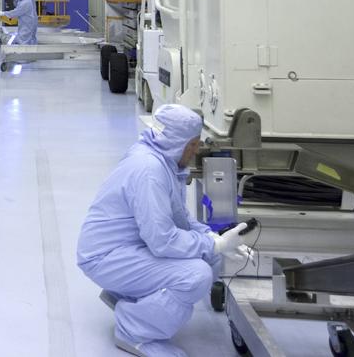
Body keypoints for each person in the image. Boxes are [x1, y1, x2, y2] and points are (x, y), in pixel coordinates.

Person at [77, 104, 254, 357]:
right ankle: (134, 330)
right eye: (192, 144)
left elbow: (179, 218)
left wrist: (215, 239)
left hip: (129, 246)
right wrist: (214, 244)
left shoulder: (162, 161)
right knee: (196, 275)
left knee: (211, 257)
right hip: (105, 257)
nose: (196, 150)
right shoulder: (149, 170)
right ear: (176, 142)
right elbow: (162, 241)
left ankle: (131, 298)